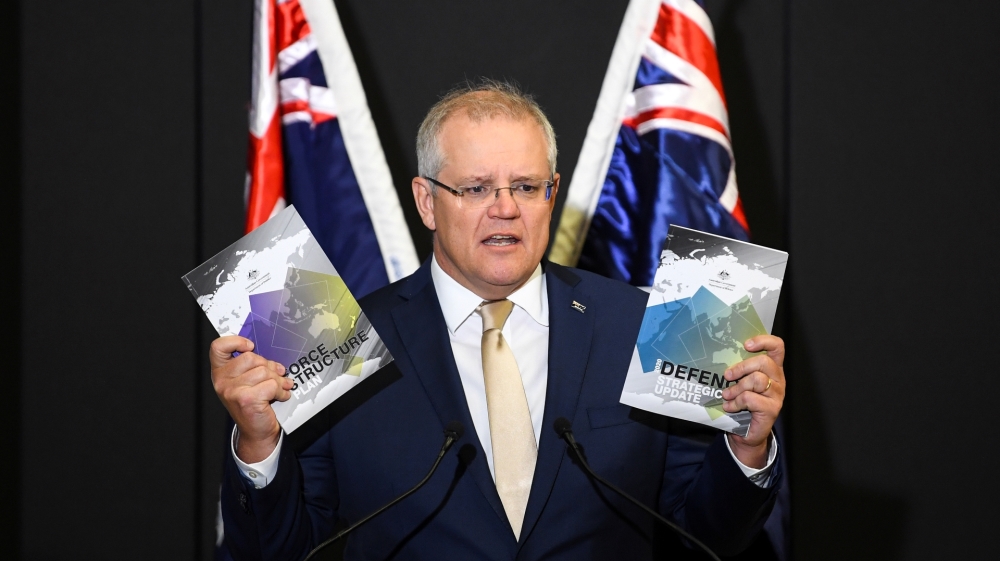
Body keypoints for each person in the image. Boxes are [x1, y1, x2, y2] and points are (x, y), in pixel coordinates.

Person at [210, 79, 786, 560]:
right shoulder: (338, 340)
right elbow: (278, 551)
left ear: (551, 195)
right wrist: (259, 445)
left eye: (527, 187)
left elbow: (712, 537)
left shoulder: (645, 324)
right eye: (476, 188)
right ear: (427, 201)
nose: (505, 207)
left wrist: (747, 447)